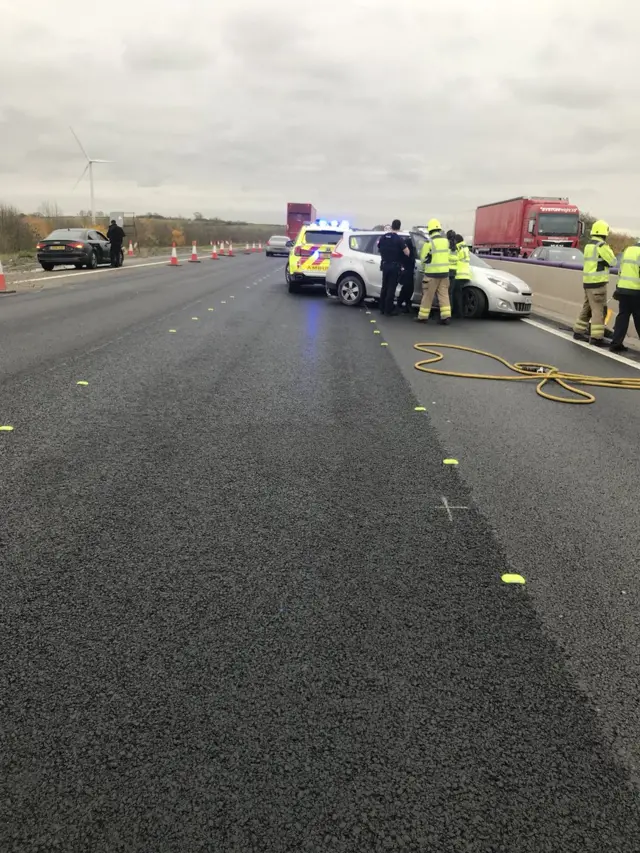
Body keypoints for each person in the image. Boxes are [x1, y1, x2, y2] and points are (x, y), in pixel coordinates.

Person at [573, 219, 616, 347]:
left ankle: (578, 331)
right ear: (604, 233)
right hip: (598, 283)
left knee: (587, 308)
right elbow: (613, 261)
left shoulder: (588, 245)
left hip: (587, 283)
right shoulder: (601, 246)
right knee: (599, 310)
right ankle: (597, 337)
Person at [416, 219, 451, 324]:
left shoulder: (429, 242)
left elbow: (423, 258)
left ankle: (423, 317)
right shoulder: (446, 241)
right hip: (444, 274)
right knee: (444, 295)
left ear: (430, 230)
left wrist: (424, 266)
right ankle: (446, 317)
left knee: (428, 296)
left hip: (431, 274)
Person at [610, 239, 640, 353]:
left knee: (622, 316)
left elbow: (621, 270)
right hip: (636, 290)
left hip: (623, 289)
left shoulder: (628, 250)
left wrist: (618, 288)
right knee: (638, 317)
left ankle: (616, 343)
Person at [378, 219, 410, 315]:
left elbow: (379, 247)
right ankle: (389, 309)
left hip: (385, 264)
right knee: (391, 288)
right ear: (399, 227)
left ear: (392, 226)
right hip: (394, 266)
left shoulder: (383, 237)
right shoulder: (398, 239)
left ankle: (382, 308)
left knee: (384, 287)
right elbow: (407, 253)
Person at [452, 234, 471, 318]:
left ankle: (458, 313)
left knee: (455, 294)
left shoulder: (457, 247)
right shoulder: (465, 247)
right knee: (460, 294)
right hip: (466, 273)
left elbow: (453, 258)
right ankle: (462, 311)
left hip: (458, 274)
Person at [397, 235, 416, 313]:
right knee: (408, 287)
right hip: (407, 270)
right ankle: (404, 303)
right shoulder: (408, 249)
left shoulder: (406, 245)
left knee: (407, 287)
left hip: (407, 269)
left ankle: (402, 303)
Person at [446, 229, 458, 311]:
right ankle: (450, 310)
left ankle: (444, 310)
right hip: (454, 271)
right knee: (450, 293)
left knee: (443, 293)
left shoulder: (446, 246)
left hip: (446, 271)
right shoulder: (457, 247)